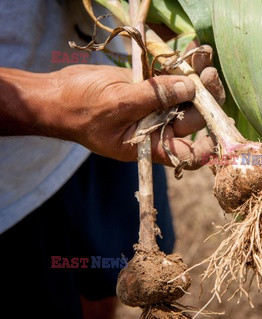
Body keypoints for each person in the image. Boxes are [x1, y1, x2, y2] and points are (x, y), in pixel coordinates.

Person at [0, 1, 223, 318]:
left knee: (108, 280)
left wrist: (181, 23)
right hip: (9, 195)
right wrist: (50, 104)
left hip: (114, 105)